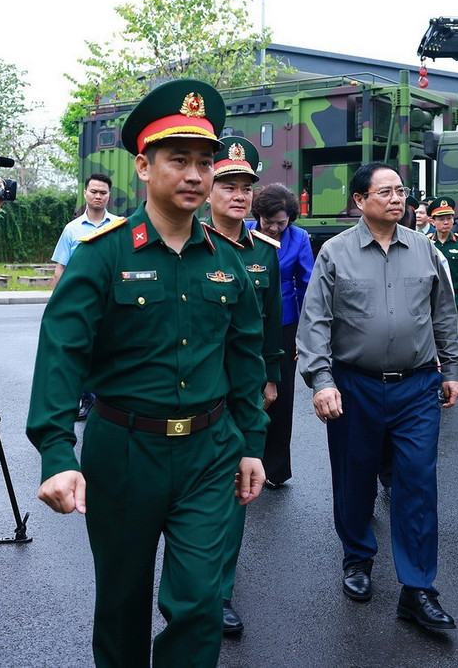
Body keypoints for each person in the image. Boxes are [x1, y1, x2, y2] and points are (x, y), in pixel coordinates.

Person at [27, 79, 269, 666]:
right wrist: (58, 454)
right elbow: (61, 355)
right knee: (122, 604)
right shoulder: (102, 254)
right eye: (178, 160)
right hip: (124, 453)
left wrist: (250, 443)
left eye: (205, 163)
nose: (195, 175)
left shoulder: (228, 261)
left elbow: (245, 357)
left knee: (198, 603)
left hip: (210, 452)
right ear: (143, 165)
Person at [296, 161, 458, 630]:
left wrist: (451, 368)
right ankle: (357, 558)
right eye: (386, 191)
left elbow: (443, 315)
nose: (397, 198)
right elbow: (316, 323)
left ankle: (418, 588)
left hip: (416, 386)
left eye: (401, 191)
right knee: (355, 478)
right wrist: (322, 381)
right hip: (355, 387)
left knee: (417, 483)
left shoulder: (426, 251)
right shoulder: (334, 253)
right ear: (360, 201)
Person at [205, 136, 284, 634]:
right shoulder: (192, 244)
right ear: (208, 191)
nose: (238, 195)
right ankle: (192, 588)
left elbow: (271, 324)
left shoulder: (264, 254)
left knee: (236, 491)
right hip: (198, 387)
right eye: (227, 185)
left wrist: (271, 377)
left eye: (245, 187)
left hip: (244, 388)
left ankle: (220, 592)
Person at [248, 183, 314, 487]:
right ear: (257, 215)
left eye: (281, 223)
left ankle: (274, 468)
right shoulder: (242, 232)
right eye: (268, 221)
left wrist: (304, 335)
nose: (274, 228)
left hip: (285, 328)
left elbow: (308, 287)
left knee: (279, 396)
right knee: (244, 393)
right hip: (245, 326)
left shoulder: (298, 239)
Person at [49, 172, 118, 421]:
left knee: (109, 351)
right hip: (80, 303)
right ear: (86, 193)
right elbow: (61, 268)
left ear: (109, 196)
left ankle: (108, 400)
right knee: (82, 352)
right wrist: (57, 303)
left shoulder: (119, 226)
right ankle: (86, 400)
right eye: (94, 191)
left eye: (103, 192)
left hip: (112, 303)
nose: (98, 196)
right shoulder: (72, 229)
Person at [427, 196, 458, 305]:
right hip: (432, 297)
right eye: (441, 219)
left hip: (455, 298)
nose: (446, 222)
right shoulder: (426, 242)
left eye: (449, 218)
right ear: (433, 222)